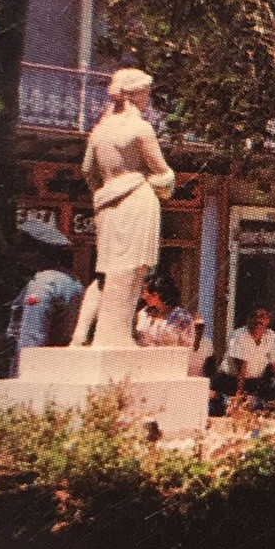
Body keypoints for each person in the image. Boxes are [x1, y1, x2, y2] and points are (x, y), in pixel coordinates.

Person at [81, 67, 176, 349]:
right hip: (136, 200)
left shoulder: (99, 131)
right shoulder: (140, 129)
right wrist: (163, 183)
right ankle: (117, 335)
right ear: (137, 95)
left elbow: (88, 171)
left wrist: (105, 193)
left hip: (107, 204)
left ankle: (103, 335)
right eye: (146, 92)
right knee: (133, 269)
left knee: (111, 270)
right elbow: (162, 172)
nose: (148, 98)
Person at [5, 221, 83, 359]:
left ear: (37, 251)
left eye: (23, 248)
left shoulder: (43, 284)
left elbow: (32, 338)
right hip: (58, 361)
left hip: (36, 365)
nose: (19, 255)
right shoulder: (72, 280)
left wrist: (22, 372)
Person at [216, 307, 275, 409]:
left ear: (268, 320)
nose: (258, 320)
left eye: (262, 317)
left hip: (254, 383)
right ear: (248, 319)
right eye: (254, 316)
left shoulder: (271, 336)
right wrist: (239, 395)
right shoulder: (238, 335)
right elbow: (241, 367)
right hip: (231, 381)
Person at [135, 270, 195, 348]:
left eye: (146, 291)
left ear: (158, 293)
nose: (143, 296)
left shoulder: (182, 318)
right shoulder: (143, 314)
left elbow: (188, 347)